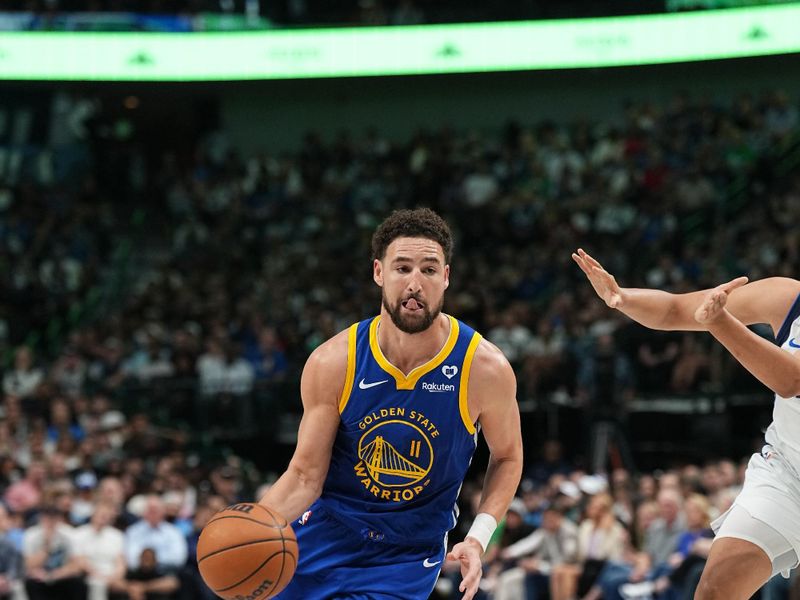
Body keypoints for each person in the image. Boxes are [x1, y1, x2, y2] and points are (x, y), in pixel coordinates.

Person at [260, 208, 524, 599]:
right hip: (324, 532)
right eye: (402, 268)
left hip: (407, 554)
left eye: (429, 270)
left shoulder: (484, 368)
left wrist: (478, 537)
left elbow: (507, 456)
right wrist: (254, 528)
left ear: (446, 278)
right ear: (379, 273)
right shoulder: (334, 362)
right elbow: (304, 477)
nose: (415, 283)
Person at [573, 247, 800, 599]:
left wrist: (722, 324)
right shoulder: (787, 296)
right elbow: (676, 309)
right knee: (714, 590)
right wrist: (621, 297)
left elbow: (792, 381)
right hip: (787, 472)